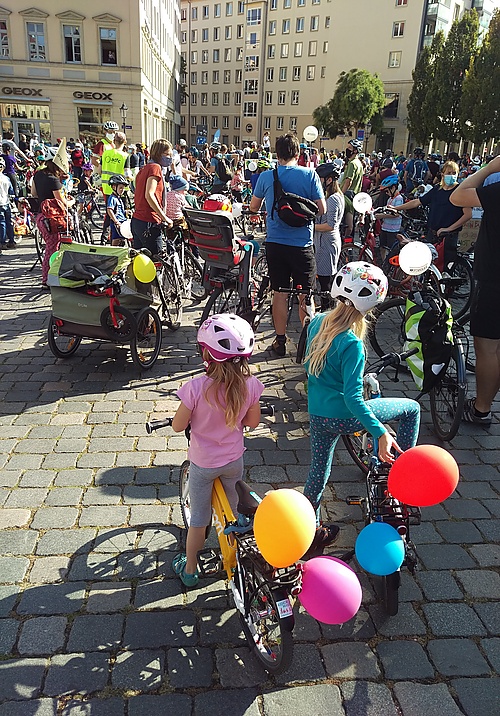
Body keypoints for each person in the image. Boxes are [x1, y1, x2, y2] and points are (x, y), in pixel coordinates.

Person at [303, 262, 421, 550]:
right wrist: (380, 432)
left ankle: (308, 530)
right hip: (345, 417)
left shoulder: (317, 322)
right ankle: (399, 474)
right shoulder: (352, 344)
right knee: (410, 410)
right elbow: (354, 398)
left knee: (318, 473)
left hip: (318, 416)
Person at [171, 314, 264, 586]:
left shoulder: (196, 388)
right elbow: (253, 421)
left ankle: (189, 569)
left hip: (203, 465)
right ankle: (234, 561)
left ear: (206, 354)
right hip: (234, 461)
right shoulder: (251, 386)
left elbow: (178, 426)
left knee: (198, 520)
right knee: (233, 515)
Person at [249, 133, 326, 357]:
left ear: (277, 153)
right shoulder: (310, 175)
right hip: (302, 245)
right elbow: (322, 209)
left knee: (279, 293)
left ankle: (280, 341)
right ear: (298, 154)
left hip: (276, 244)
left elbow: (254, 207)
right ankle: (309, 343)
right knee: (306, 295)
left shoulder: (266, 176)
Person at [450, 154, 500, 426]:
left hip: (495, 278)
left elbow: (458, 196)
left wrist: (490, 167)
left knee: (487, 346)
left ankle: (481, 408)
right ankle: (486, 403)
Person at [397, 161, 472, 269]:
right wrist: (397, 208)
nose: (452, 176)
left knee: (444, 268)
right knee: (426, 265)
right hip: (432, 234)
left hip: (448, 237)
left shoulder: (459, 191)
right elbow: (418, 202)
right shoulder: (437, 189)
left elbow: (468, 214)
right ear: (443, 174)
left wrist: (449, 229)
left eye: (454, 173)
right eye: (449, 173)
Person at [31, 141, 75, 288]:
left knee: (51, 246)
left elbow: (34, 193)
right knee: (52, 248)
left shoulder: (38, 175)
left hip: (40, 216)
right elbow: (62, 202)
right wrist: (72, 202)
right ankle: (47, 280)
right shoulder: (54, 180)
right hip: (51, 219)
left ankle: (51, 276)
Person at [131, 138, 174, 255]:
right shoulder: (155, 168)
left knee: (141, 263)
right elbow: (149, 195)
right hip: (149, 222)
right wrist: (164, 217)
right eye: (166, 154)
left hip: (137, 221)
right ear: (158, 153)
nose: (170, 157)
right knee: (157, 261)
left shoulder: (144, 169)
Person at [314, 163, 345, 309]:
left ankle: (328, 310)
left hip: (327, 242)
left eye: (321, 178)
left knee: (325, 280)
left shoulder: (333, 199)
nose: (319, 181)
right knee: (324, 278)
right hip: (325, 241)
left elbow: (330, 225)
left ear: (329, 180)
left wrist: (310, 226)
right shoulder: (335, 196)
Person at [100, 132, 130, 243]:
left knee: (109, 214)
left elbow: (99, 170)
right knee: (122, 212)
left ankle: (104, 238)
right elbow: (127, 174)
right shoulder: (125, 156)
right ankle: (120, 237)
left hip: (107, 188)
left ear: (114, 141)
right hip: (120, 189)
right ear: (125, 142)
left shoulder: (106, 153)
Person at [374, 175, 404, 260]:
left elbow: (396, 214)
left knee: (392, 250)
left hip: (393, 229)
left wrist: (382, 216)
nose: (386, 193)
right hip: (385, 227)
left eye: (387, 191)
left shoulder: (399, 198)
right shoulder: (390, 198)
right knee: (382, 247)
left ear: (393, 188)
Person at [341, 138, 364, 237]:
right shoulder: (359, 163)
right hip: (355, 196)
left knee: (343, 224)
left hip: (347, 196)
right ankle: (349, 245)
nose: (347, 149)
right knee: (351, 224)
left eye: (350, 148)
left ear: (355, 150)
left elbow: (348, 181)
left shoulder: (352, 163)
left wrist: (340, 194)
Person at [106, 174, 129, 246]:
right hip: (117, 224)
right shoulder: (112, 198)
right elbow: (109, 210)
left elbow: (119, 211)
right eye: (121, 188)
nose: (122, 190)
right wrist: (116, 221)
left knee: (122, 240)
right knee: (116, 241)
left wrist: (126, 212)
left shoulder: (118, 198)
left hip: (122, 223)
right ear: (114, 187)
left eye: (123, 188)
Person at [0, 156, 15, 253]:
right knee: (8, 222)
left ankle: (2, 242)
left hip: (0, 203)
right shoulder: (6, 179)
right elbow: (11, 191)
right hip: (6, 202)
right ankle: (11, 241)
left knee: (2, 223)